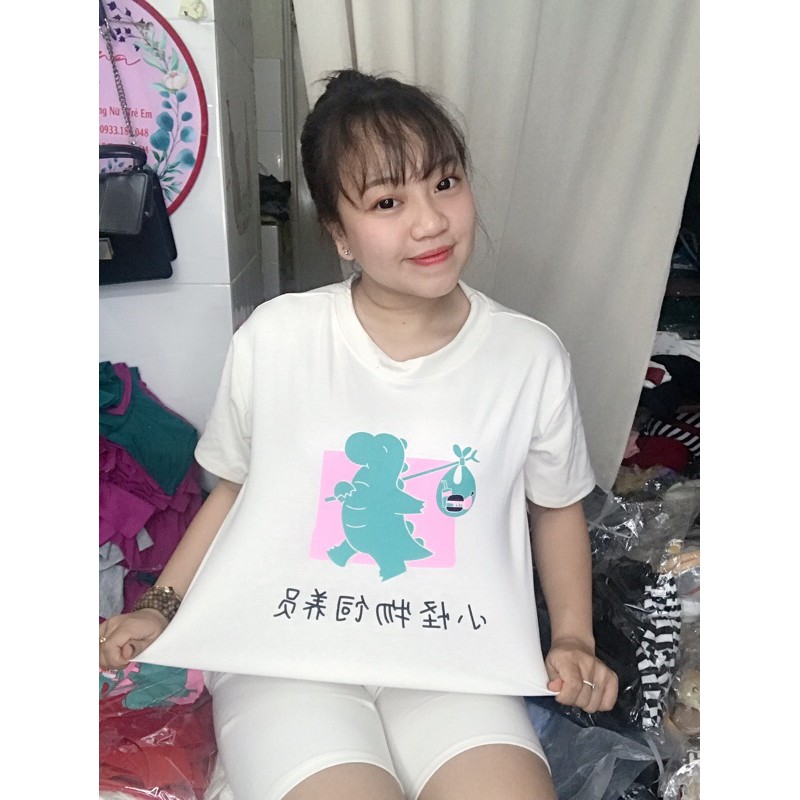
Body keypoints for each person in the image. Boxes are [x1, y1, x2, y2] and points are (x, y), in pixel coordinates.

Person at [99, 69, 618, 800]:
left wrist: (572, 638)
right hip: (285, 654)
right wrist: (159, 607)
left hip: (451, 657)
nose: (431, 222)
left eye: (445, 183)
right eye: (387, 202)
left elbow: (555, 504)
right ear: (339, 234)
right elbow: (234, 492)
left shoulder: (529, 355)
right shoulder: (278, 338)